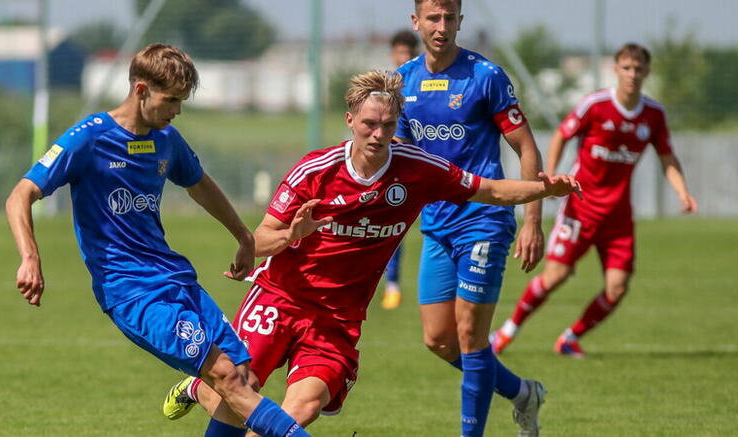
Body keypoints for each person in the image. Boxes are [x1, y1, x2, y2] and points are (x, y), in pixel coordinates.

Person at [161, 70, 581, 437]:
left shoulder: (418, 169)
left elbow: (488, 189)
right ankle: (202, 388)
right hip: (279, 297)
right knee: (236, 392)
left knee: (304, 407)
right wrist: (295, 232)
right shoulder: (315, 171)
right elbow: (259, 241)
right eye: (369, 124)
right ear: (350, 122)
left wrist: (546, 189)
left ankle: (206, 390)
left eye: (388, 124)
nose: (378, 134)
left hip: (337, 319)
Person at [4, 43, 310, 437]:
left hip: (177, 279)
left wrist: (243, 236)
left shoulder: (166, 139)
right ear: (141, 89)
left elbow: (199, 184)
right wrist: (30, 257)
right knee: (226, 378)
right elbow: (21, 194)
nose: (177, 110)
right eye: (172, 100)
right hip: (132, 291)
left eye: (182, 100)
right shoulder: (90, 138)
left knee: (244, 380)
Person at [395, 1, 547, 435]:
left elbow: (527, 147)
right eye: (433, 18)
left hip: (485, 217)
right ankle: (523, 393)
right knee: (438, 340)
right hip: (437, 225)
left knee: (469, 335)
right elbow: (403, 159)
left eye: (449, 18)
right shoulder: (402, 82)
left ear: (461, 20)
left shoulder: (486, 77)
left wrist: (532, 219)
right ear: (416, 22)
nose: (441, 27)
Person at [490, 43, 698, 358]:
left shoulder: (653, 115)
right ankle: (506, 333)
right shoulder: (596, 105)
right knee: (555, 276)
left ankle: (570, 338)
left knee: (617, 288)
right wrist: (551, 174)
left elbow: (667, 157)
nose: (632, 75)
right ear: (616, 70)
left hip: (618, 217)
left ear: (646, 72)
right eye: (626, 68)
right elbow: (562, 134)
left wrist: (682, 191)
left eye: (638, 69)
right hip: (581, 208)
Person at [381, 28, 420, 310]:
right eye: (400, 53)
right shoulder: (384, 88)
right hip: (391, 169)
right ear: (393, 54)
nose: (404, 57)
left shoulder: (421, 83)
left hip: (420, 168)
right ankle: (391, 285)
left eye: (409, 53)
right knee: (388, 227)